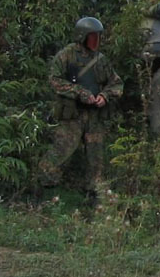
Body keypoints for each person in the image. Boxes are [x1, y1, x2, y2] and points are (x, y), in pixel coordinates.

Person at [37, 16, 123, 197]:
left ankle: (93, 195)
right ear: (82, 37)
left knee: (96, 159)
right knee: (60, 152)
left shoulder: (101, 60)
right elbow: (54, 80)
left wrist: (104, 96)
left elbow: (116, 83)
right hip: (72, 116)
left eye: (98, 37)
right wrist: (79, 92)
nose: (96, 41)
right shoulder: (66, 55)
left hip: (94, 117)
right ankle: (46, 190)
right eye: (92, 37)